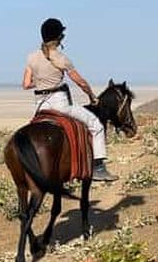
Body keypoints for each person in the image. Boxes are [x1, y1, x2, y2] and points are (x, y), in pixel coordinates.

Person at [21, 18, 118, 182]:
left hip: (40, 105)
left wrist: (41, 82)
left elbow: (26, 84)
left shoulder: (31, 57)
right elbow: (80, 82)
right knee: (96, 125)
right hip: (60, 104)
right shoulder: (62, 59)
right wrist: (92, 96)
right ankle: (99, 168)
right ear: (59, 37)